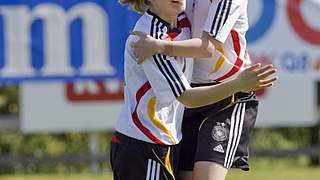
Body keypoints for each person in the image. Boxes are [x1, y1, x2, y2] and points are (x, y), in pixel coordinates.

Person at [111, 0, 277, 180]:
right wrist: (159, 45)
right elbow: (187, 96)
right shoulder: (155, 35)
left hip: (226, 96)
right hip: (169, 119)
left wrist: (160, 46)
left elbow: (207, 48)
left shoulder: (164, 35)